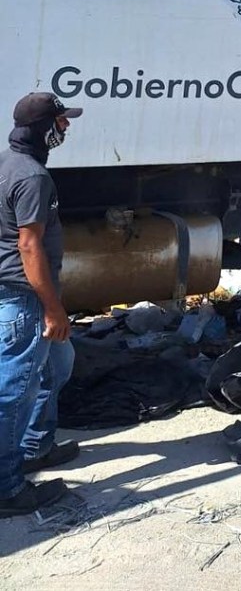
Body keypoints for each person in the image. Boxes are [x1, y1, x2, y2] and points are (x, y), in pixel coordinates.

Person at [0, 92, 83, 518]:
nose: (65, 127)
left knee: (58, 364)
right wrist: (52, 308)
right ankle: (8, 488)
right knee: (16, 389)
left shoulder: (6, 162)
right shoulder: (32, 177)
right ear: (43, 128)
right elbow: (29, 245)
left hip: (23, 291)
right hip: (25, 296)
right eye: (61, 121)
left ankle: (36, 446)